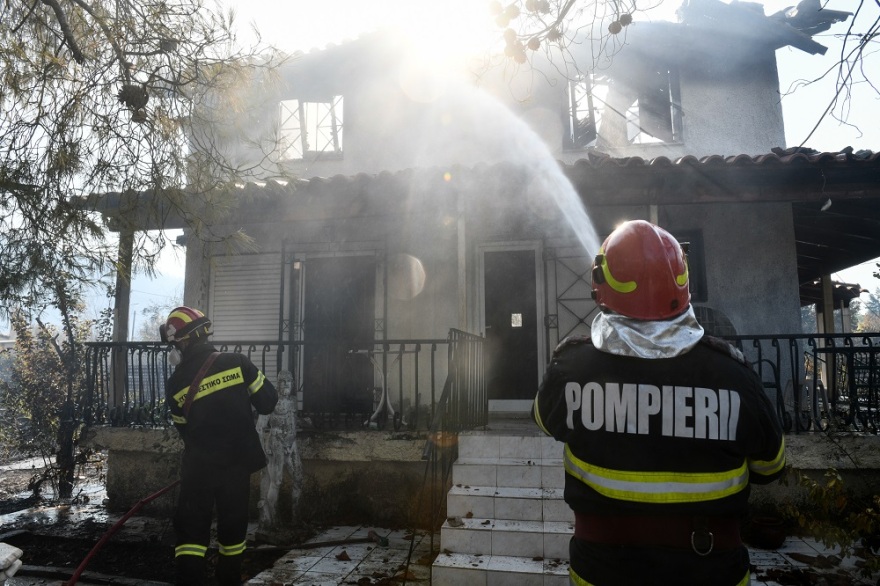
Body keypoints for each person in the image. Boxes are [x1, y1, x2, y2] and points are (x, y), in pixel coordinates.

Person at [532, 220, 785, 586]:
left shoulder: (571, 368)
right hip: (710, 568)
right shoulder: (735, 376)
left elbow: (545, 421)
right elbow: (771, 468)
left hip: (602, 570)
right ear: (683, 283)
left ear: (601, 284)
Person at [161, 306, 278, 586]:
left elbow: (184, 430)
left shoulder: (175, 383)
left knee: (191, 537)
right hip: (236, 466)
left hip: (199, 468)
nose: (174, 348)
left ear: (184, 340)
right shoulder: (237, 362)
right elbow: (268, 401)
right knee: (233, 534)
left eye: (174, 342)